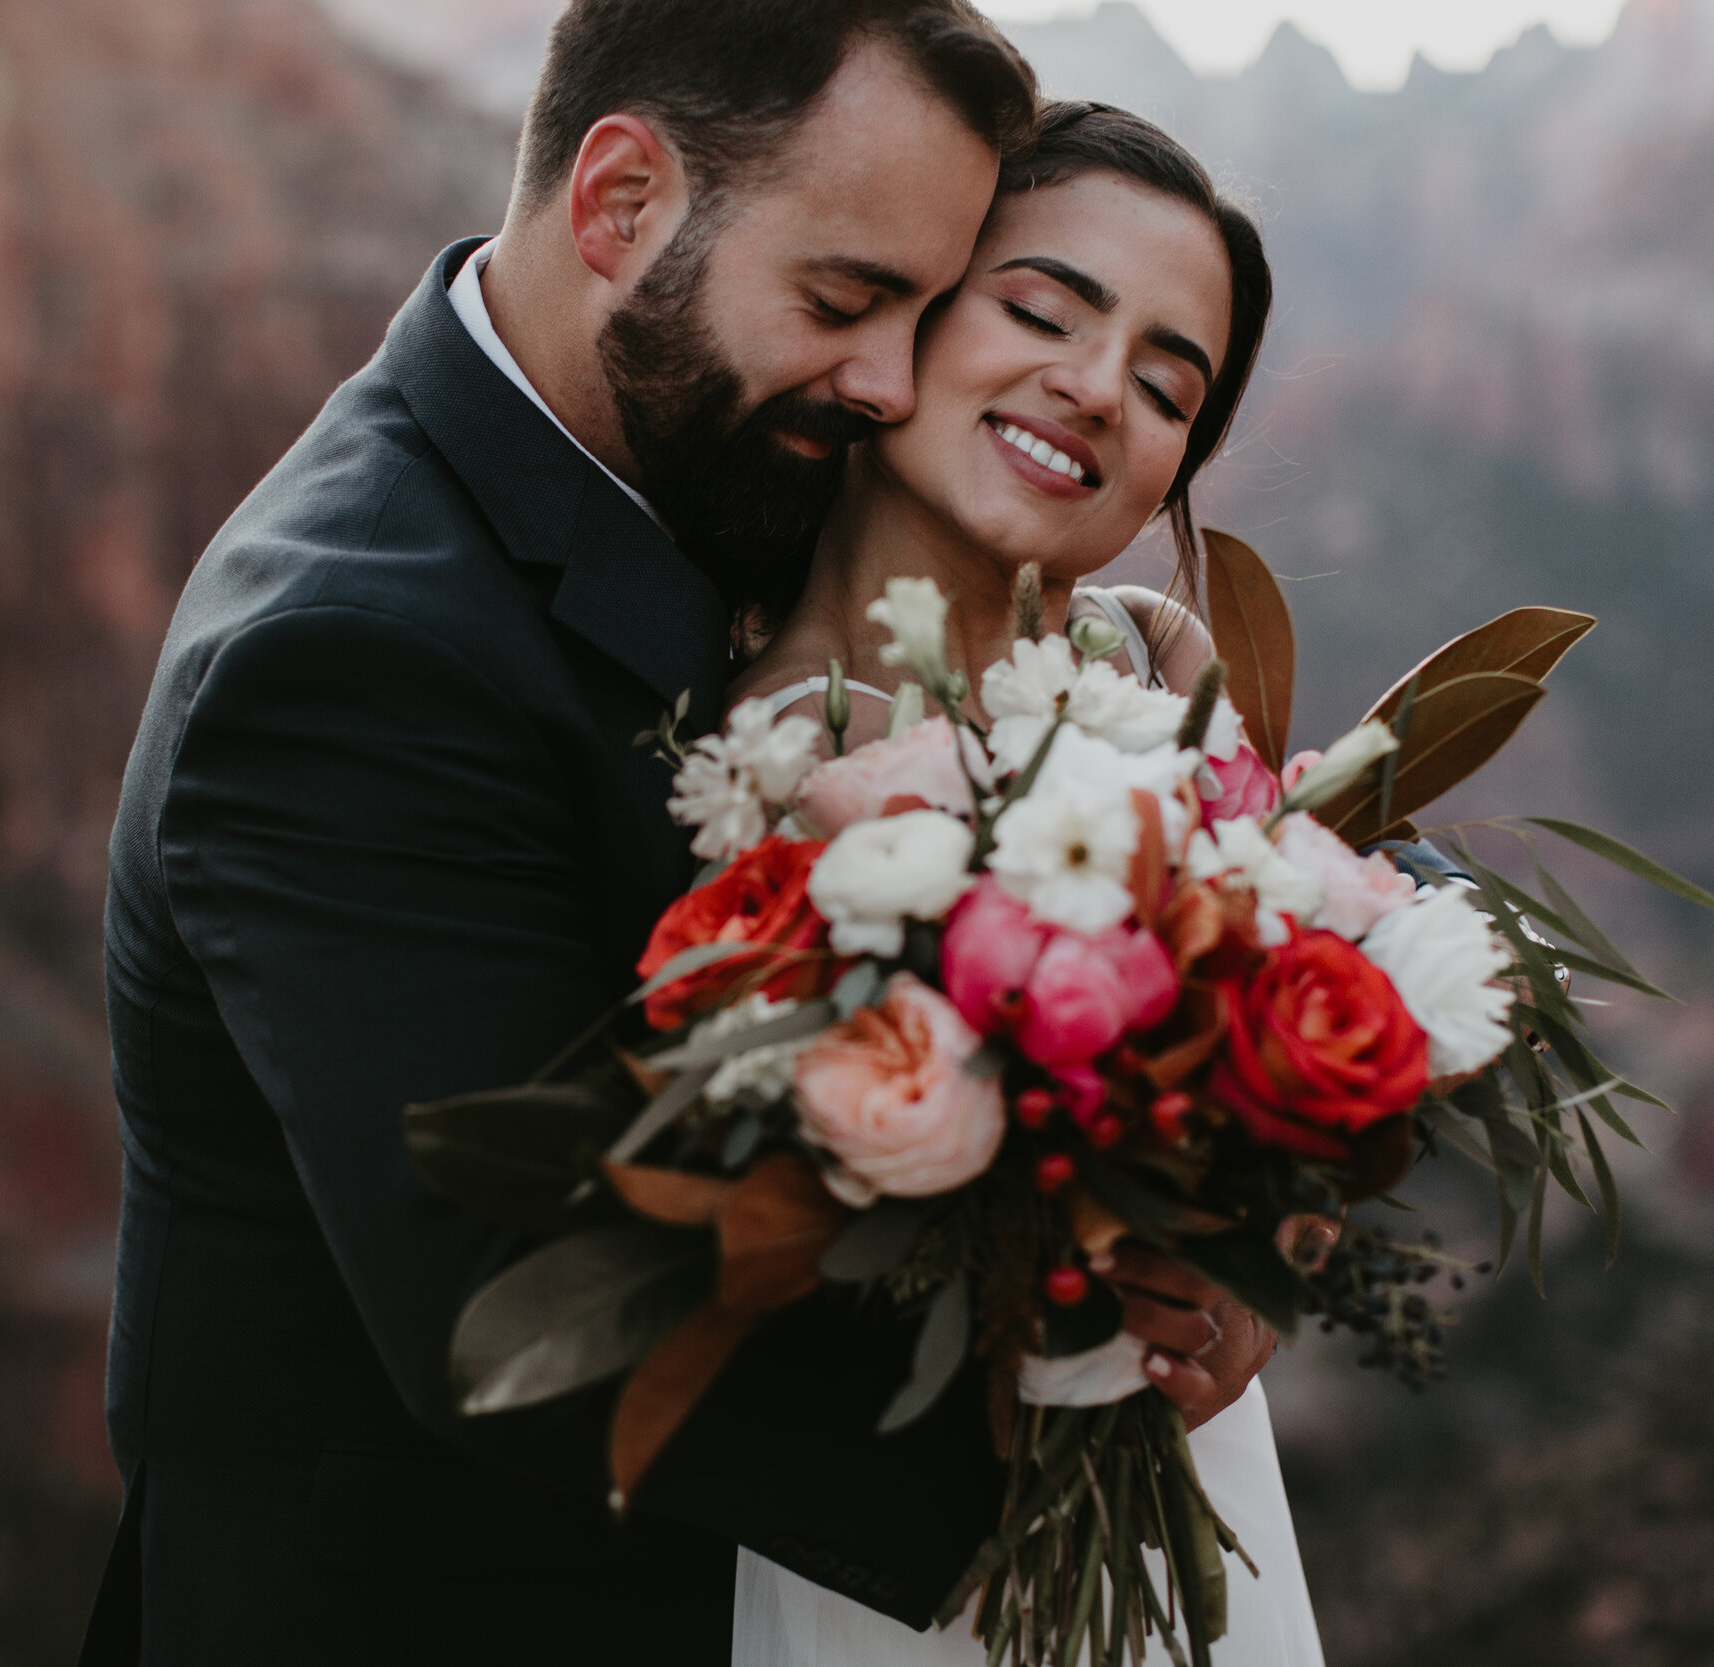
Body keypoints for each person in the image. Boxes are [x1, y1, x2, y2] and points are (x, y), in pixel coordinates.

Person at [82, 2, 1270, 1659]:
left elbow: (1270, 845)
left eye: (922, 309)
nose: (880, 379)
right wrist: (1084, 1403)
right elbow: (516, 1303)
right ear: (622, 206)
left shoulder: (712, 461)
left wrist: (1273, 1161)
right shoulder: (350, 651)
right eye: (848, 299)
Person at [727, 102, 1326, 1666]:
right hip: (865, 1531)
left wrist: (1265, 1259)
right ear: (911, 305)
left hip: (1170, 1481)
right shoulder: (716, 741)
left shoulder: (1165, 665)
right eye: (1044, 311)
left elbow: (1302, 1038)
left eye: (1163, 382)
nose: (1093, 389)